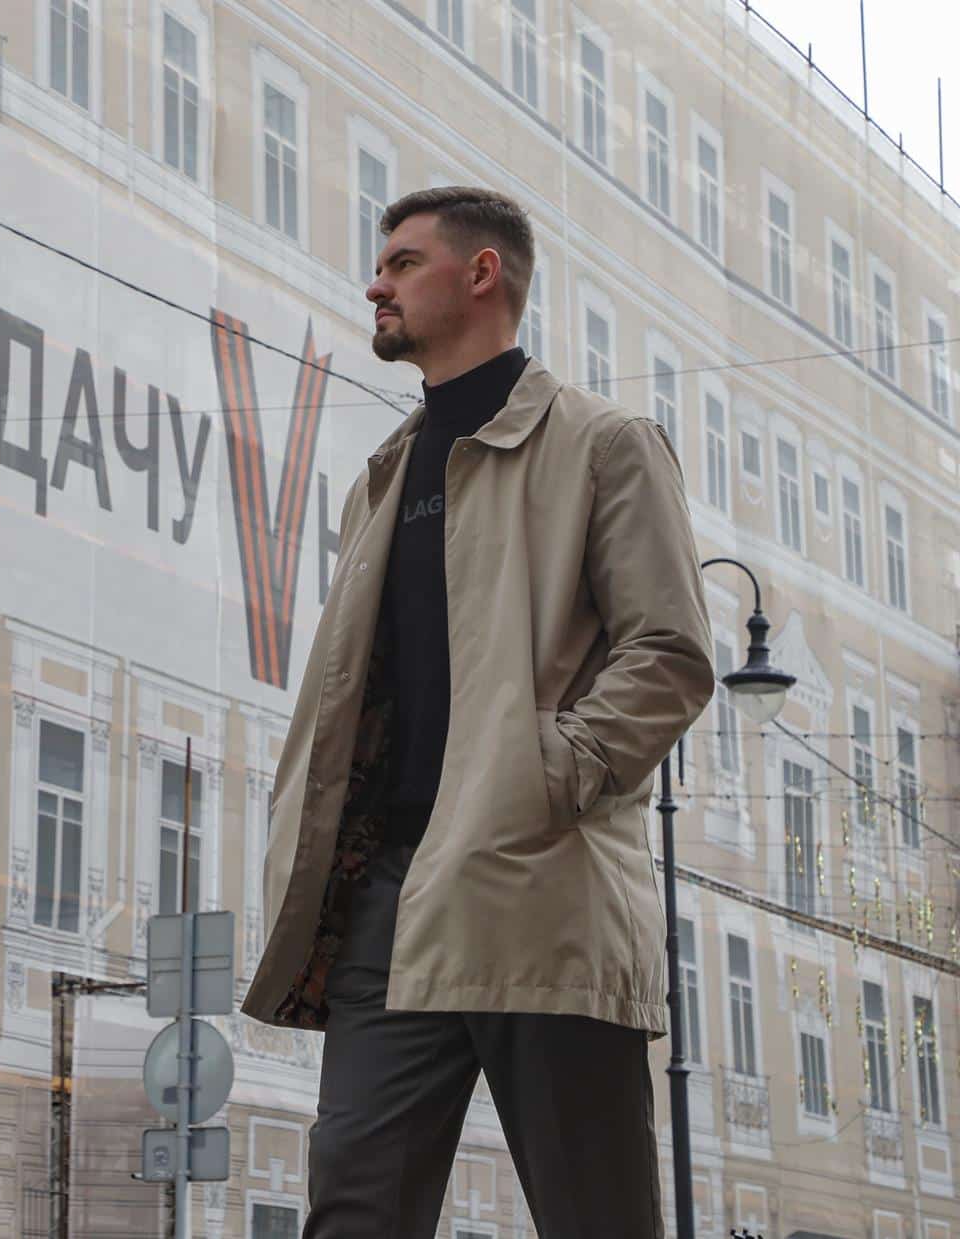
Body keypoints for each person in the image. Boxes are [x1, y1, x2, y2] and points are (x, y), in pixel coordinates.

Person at [240, 187, 713, 1237]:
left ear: (482, 273)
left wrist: (548, 776)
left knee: (598, 1218)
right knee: (352, 1213)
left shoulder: (604, 444)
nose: (376, 282)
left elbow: (671, 655)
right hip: (387, 909)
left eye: (403, 262)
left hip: (538, 887)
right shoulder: (384, 477)